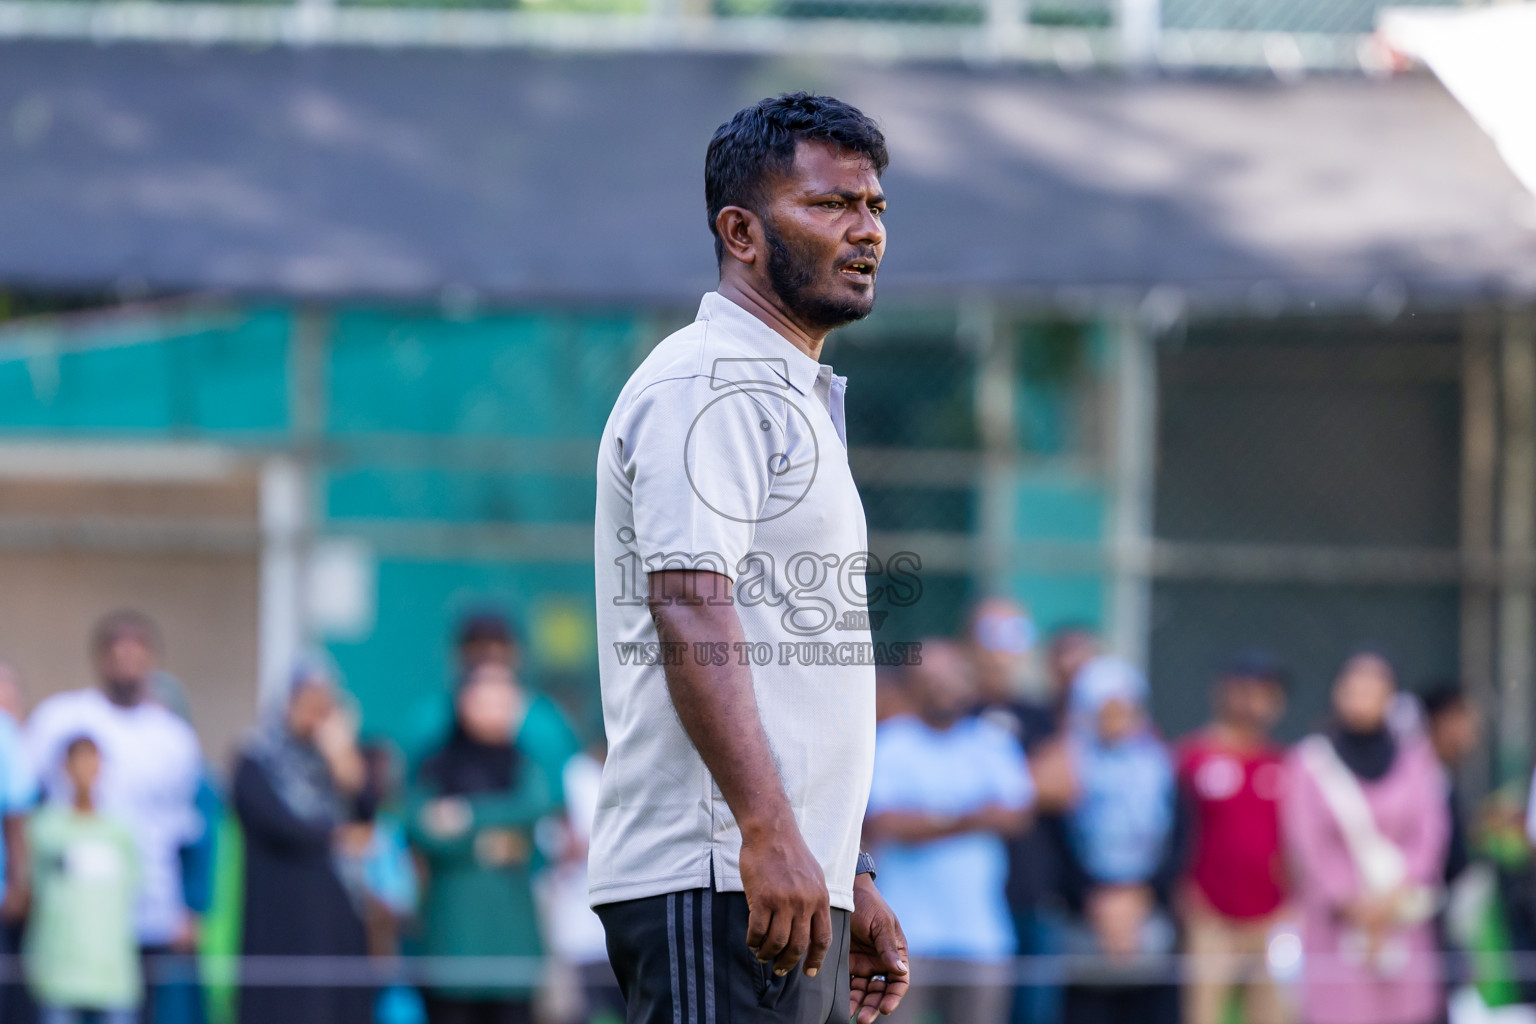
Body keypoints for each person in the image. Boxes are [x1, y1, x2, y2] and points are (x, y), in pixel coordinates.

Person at [590, 92, 909, 1024]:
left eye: (874, 207)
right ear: (741, 230)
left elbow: (791, 652)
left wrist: (843, 864)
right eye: (830, 205)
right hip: (719, 877)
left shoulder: (785, 389)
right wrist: (770, 835)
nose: (865, 231)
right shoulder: (710, 384)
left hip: (774, 881)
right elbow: (690, 607)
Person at [24, 612, 202, 1024]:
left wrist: (191, 907)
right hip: (73, 910)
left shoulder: (173, 737)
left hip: (149, 907)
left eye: (137, 653)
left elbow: (190, 832)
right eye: (117, 652)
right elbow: (27, 807)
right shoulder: (60, 718)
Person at [864, 639, 1034, 1024]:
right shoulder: (891, 742)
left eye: (951, 677)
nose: (942, 687)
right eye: (930, 678)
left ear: (969, 682)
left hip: (982, 936)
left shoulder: (991, 741)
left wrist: (929, 818)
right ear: (912, 683)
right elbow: (885, 822)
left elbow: (1016, 815)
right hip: (904, 934)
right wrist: (971, 816)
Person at [1282, 651, 1449, 1024]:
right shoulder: (1312, 762)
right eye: (1354, 688)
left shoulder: (1415, 759)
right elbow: (1308, 844)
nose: (1363, 698)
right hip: (1339, 926)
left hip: (1401, 919)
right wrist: (1353, 905)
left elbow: (1430, 832)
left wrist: (1391, 901)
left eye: (1374, 689)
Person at [408, 660, 555, 1024]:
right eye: (490, 697)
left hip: (514, 952)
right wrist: (495, 841)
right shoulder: (436, 765)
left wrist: (464, 817)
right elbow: (422, 830)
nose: (501, 708)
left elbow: (534, 810)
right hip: (452, 949)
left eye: (508, 699)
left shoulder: (524, 764)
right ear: (465, 701)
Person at [232, 657, 373, 1024]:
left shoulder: (334, 759)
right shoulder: (257, 758)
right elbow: (273, 821)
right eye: (306, 700)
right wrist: (336, 836)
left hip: (335, 920)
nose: (314, 712)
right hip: (279, 917)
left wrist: (343, 757)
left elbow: (368, 814)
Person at [966, 606, 1088, 1024]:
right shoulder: (952, 711)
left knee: (1033, 1012)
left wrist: (975, 787)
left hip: (1033, 893)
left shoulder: (1039, 715)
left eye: (1013, 633)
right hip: (966, 901)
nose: (1002, 649)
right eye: (992, 632)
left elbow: (1065, 785)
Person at [1057, 656, 1181, 1024]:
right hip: (1084, 917)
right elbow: (1057, 844)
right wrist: (1095, 899)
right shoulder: (1067, 767)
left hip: (1148, 913)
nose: (1114, 722)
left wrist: (1141, 895)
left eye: (1123, 710)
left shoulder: (1161, 767)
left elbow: (1179, 839)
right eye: (1104, 711)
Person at [1176, 652, 1291, 1024]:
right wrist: (1187, 898)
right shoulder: (1191, 758)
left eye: (1264, 692)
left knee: (1274, 1013)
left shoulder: (1284, 764)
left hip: (1273, 918)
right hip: (1210, 918)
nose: (1253, 700)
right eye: (1244, 689)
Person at [25, 735, 141, 1024]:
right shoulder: (45, 829)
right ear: (65, 767)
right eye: (78, 760)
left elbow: (133, 888)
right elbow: (33, 888)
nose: (85, 770)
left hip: (111, 971)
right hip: (59, 970)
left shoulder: (120, 832)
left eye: (92, 761)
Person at [1421, 683, 1480, 887]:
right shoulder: (1420, 777)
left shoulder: (1444, 772)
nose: (1471, 728)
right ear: (1441, 721)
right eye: (1463, 718)